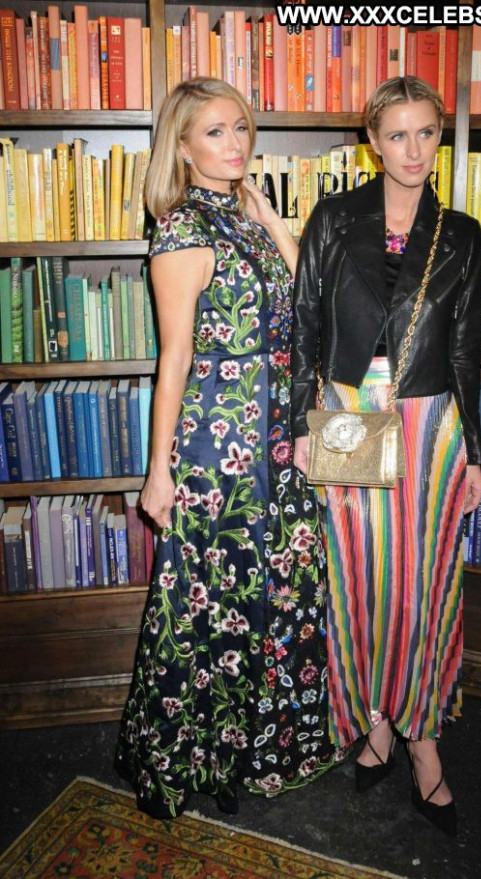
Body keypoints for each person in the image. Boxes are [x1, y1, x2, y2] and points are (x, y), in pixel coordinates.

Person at [115, 77, 341, 819]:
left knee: (273, 595)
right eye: (215, 131)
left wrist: (269, 216)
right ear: (182, 147)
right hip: (220, 450)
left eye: (241, 127)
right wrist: (159, 472)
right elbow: (174, 358)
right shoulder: (182, 230)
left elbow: (311, 292)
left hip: (278, 440)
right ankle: (188, 758)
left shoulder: (243, 217)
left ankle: (247, 753)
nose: (235, 142)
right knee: (210, 605)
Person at [291, 76, 481, 837]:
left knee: (425, 586)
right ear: (372, 141)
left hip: (431, 424)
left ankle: (423, 739)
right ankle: (375, 719)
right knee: (359, 580)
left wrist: (476, 454)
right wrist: (300, 426)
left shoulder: (461, 234)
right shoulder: (335, 218)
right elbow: (305, 326)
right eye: (397, 134)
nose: (413, 150)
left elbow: (466, 351)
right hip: (347, 413)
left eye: (426, 133)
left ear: (439, 136)